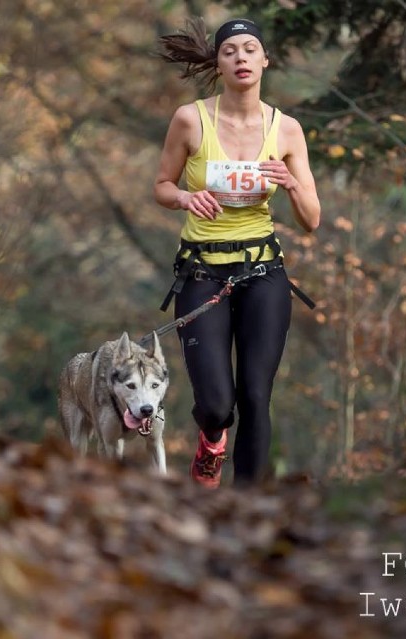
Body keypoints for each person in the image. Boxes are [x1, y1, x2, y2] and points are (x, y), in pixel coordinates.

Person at [154, 17, 320, 488]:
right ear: (219, 63)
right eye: (230, 51)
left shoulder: (286, 130)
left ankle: (250, 510)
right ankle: (210, 442)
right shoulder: (191, 119)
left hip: (263, 272)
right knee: (216, 405)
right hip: (202, 273)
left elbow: (312, 219)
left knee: (255, 395)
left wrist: (290, 184)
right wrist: (185, 197)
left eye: (251, 49)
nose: (241, 57)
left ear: (265, 60)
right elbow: (162, 186)